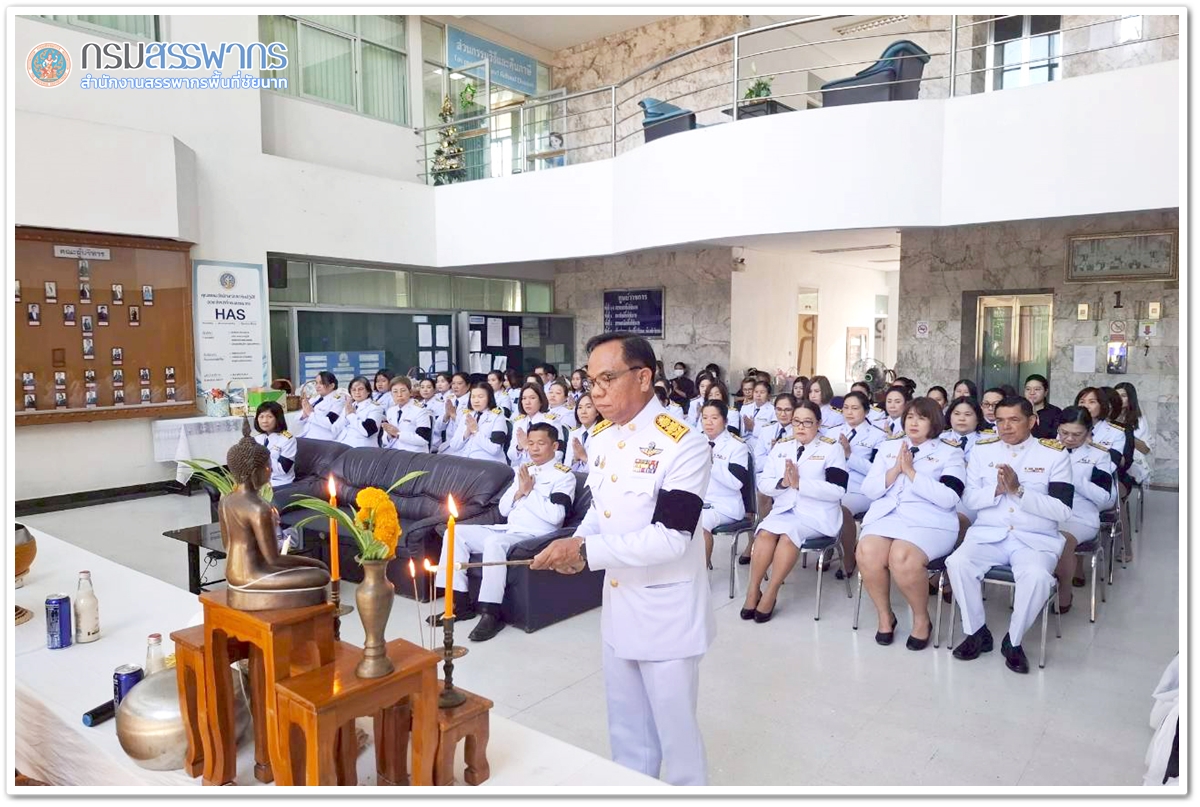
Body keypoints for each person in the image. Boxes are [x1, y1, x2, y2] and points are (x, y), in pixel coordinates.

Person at [531, 332, 714, 786]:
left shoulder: (683, 444)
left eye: (607, 378)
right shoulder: (601, 438)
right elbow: (602, 509)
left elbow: (672, 538)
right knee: (628, 734)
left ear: (645, 377)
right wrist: (576, 542)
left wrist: (587, 552)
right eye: (590, 380)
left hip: (666, 612)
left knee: (677, 741)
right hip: (619, 604)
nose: (595, 391)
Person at [946, 396, 1074, 674]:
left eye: (1014, 419)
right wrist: (996, 490)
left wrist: (1019, 490)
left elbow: (1063, 511)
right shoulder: (983, 451)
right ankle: (976, 632)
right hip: (989, 534)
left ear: (1032, 421)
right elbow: (968, 497)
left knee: (1038, 578)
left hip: (1034, 539)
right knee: (957, 563)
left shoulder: (1054, 454)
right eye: (1000, 420)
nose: (1005, 426)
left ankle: (1013, 641)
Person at [435, 422, 575, 642]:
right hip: (509, 529)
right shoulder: (524, 470)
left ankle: (491, 612)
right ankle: (458, 603)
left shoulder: (564, 476)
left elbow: (556, 516)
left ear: (555, 446)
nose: (535, 448)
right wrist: (520, 491)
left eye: (541, 443)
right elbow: (503, 509)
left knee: (494, 543)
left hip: (534, 534)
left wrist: (530, 492)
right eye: (531, 443)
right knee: (454, 533)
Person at [857, 397, 965, 650]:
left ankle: (921, 618)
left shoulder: (950, 452)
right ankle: (885, 615)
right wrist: (895, 470)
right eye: (910, 417)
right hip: (887, 516)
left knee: (902, 556)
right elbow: (869, 490)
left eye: (921, 417)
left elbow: (950, 497)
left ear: (934, 422)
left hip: (931, 521)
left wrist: (912, 473)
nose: (913, 423)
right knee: (867, 551)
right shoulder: (888, 447)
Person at [742, 400, 848, 622]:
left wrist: (801, 484)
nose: (800, 427)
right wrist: (782, 483)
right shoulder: (782, 446)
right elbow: (763, 482)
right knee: (764, 534)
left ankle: (770, 592)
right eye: (796, 421)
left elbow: (838, 490)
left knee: (789, 537)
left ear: (818, 424)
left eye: (807, 422)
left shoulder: (831, 448)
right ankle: (753, 590)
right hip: (784, 510)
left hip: (816, 515)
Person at [1052, 406, 1117, 613]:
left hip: (1080, 516)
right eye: (1064, 433)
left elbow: (1106, 498)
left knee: (1063, 539)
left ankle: (1064, 593)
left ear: (1088, 432)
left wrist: (1075, 478)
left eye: (1076, 434)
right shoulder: (1046, 449)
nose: (1069, 439)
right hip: (1048, 510)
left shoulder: (1099, 456)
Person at [698, 400, 751, 570]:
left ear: (725, 421)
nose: (708, 422)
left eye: (714, 417)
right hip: (700, 501)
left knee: (699, 523)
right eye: (705, 417)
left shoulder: (737, 446)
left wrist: (711, 463)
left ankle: (700, 575)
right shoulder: (696, 442)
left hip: (725, 505)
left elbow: (736, 483)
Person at [837, 391, 887, 519]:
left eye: (855, 408)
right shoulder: (832, 432)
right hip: (832, 486)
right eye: (846, 408)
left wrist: (849, 455)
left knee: (838, 510)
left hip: (859, 490)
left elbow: (876, 471)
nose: (849, 412)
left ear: (866, 411)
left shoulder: (878, 435)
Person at [442, 382, 510, 464]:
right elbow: (454, 445)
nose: (476, 400)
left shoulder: (497, 417)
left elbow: (495, 449)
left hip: (489, 464)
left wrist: (475, 432)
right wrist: (467, 433)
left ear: (489, 398)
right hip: (466, 462)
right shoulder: (467, 415)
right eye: (473, 397)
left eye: (480, 397)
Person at [510, 383, 567, 465]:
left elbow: (558, 454)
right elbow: (511, 455)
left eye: (532, 398)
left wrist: (527, 447)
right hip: (520, 469)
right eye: (524, 398)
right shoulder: (518, 423)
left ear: (541, 401)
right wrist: (519, 448)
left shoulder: (551, 421)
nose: (527, 402)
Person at [381, 376, 434, 453]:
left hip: (415, 455)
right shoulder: (391, 411)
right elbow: (385, 440)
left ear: (410, 392)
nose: (399, 395)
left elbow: (423, 439)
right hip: (395, 454)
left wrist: (398, 434)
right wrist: (389, 435)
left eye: (403, 391)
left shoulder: (420, 410)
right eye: (395, 391)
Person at [1114, 382, 1152, 487]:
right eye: (1116, 396)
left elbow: (1146, 449)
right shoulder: (1107, 416)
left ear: (1130, 399)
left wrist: (1127, 435)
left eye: (1123, 396)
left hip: (1130, 461)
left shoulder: (1138, 420)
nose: (1119, 399)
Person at [253, 401, 297, 488]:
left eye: (269, 417)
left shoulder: (288, 439)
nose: (264, 421)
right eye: (261, 417)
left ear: (278, 418)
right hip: (260, 480)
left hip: (279, 482)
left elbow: (283, 469)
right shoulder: (258, 439)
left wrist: (261, 458)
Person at [332, 376, 385, 448]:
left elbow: (367, 431)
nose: (357, 392)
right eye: (353, 390)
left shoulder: (375, 408)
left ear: (368, 391)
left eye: (360, 389)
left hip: (362, 450)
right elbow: (336, 428)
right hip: (343, 445)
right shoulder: (349, 406)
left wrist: (351, 415)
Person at [296, 371, 345, 442]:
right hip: (307, 436)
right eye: (316, 383)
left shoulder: (338, 400)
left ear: (332, 386)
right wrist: (304, 415)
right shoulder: (315, 398)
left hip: (322, 440)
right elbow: (297, 420)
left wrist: (310, 413)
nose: (317, 386)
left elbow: (330, 422)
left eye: (321, 383)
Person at [737, 379, 776, 452]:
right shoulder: (745, 408)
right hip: (745, 446)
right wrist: (746, 428)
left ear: (768, 395)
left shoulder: (773, 411)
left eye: (762, 392)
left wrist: (753, 428)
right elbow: (740, 432)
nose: (758, 395)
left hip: (762, 447)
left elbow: (771, 433)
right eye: (756, 392)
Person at [565, 393, 599, 473]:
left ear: (597, 411)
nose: (583, 411)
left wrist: (584, 457)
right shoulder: (573, 433)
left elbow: (603, 469)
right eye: (580, 407)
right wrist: (575, 460)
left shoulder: (603, 433)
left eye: (588, 407)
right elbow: (566, 466)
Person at [439, 372, 472, 448]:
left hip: (464, 444)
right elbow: (438, 428)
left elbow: (468, 426)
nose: (455, 387)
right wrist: (446, 415)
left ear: (468, 385)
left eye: (459, 383)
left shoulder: (472, 400)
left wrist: (453, 415)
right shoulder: (449, 398)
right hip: (448, 444)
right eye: (453, 383)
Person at [1025, 374, 1062, 440]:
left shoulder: (1055, 412)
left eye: (1037, 389)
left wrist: (1034, 416)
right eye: (1028, 389)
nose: (1032, 392)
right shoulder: (1017, 410)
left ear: (1045, 392)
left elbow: (1053, 438)